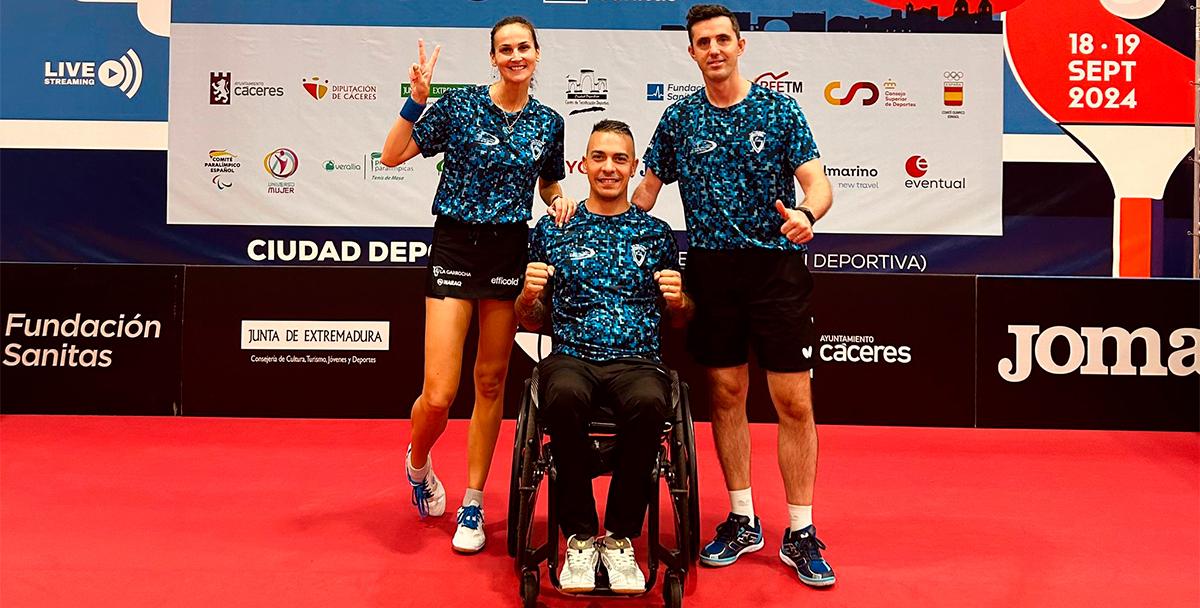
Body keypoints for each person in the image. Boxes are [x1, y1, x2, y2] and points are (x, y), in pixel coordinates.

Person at [632, 4, 836, 587]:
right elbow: (644, 193)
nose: (715, 49)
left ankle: (801, 530)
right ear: (692, 52)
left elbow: (817, 182)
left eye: (724, 38)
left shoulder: (780, 109)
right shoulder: (678, 120)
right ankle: (743, 519)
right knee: (726, 393)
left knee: (793, 401)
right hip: (711, 274)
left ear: (741, 45)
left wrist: (806, 214)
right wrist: (589, 221)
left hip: (775, 272)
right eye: (703, 42)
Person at [379, 15, 577, 554]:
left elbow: (549, 181)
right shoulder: (460, 106)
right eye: (504, 49)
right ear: (493, 57)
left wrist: (556, 198)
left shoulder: (549, 122)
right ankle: (418, 464)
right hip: (454, 248)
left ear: (537, 55)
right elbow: (391, 155)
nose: (515, 56)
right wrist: (415, 100)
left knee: (490, 383)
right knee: (440, 393)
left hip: (509, 250)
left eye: (524, 48)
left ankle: (472, 499)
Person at [516, 119, 693, 594]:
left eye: (619, 159)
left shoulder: (656, 234)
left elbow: (679, 320)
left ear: (634, 167)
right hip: (571, 356)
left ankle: (617, 539)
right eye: (599, 157)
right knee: (564, 395)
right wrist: (529, 296)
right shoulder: (555, 227)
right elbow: (529, 320)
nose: (609, 167)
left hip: (638, 361)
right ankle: (577, 536)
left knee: (651, 404)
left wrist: (678, 302)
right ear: (584, 163)